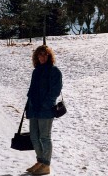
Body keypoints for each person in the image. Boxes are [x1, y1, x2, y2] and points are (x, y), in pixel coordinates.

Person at [25, 45, 62, 175]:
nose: (42, 57)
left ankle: (46, 165)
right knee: (34, 137)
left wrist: (46, 105)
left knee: (44, 137)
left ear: (49, 56)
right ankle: (40, 161)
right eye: (39, 55)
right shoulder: (36, 71)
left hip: (45, 110)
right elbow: (32, 90)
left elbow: (55, 91)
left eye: (44, 54)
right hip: (34, 108)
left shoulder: (54, 71)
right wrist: (28, 105)